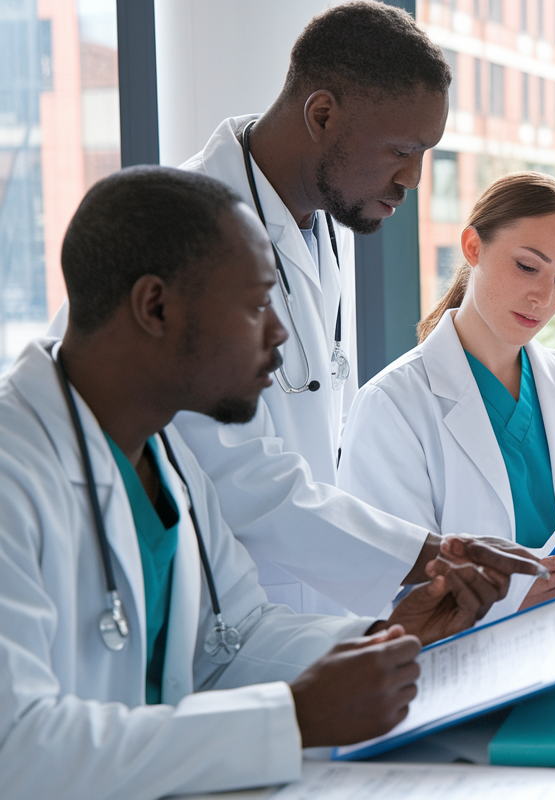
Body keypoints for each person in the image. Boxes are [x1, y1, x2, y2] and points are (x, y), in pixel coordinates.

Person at [0, 167, 514, 799]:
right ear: (154, 306)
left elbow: (229, 640)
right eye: (254, 305)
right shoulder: (13, 471)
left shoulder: (162, 453)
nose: (277, 334)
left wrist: (387, 643)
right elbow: (16, 750)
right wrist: (290, 719)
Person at [173, 2, 534, 614]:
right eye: (401, 150)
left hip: (296, 608)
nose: (415, 179)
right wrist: (428, 554)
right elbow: (241, 475)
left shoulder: (329, 223)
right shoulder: (184, 231)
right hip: (207, 605)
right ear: (321, 114)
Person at [338, 173, 555, 618]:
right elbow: (385, 585)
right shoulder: (392, 405)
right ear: (472, 247)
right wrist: (513, 599)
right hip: (465, 663)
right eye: (527, 267)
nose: (542, 296)